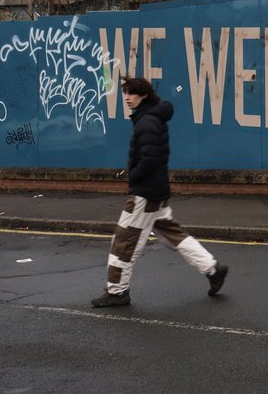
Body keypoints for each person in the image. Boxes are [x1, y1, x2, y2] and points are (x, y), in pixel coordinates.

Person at [91, 76, 227, 307]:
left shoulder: (147, 122)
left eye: (131, 93)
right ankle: (213, 270)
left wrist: (133, 176)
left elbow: (151, 159)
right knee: (174, 235)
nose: (126, 97)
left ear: (143, 95)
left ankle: (117, 292)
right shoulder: (151, 117)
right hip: (156, 191)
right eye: (125, 93)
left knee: (124, 242)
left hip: (145, 194)